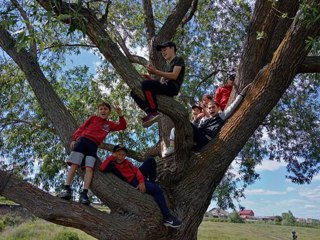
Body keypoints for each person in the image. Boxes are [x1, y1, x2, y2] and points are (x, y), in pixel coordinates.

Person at [100, 145, 182, 228]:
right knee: (157, 190)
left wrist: (141, 182)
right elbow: (102, 168)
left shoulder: (127, 162)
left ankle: (152, 183)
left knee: (151, 160)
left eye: (123, 155)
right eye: (119, 154)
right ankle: (167, 218)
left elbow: (136, 171)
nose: (121, 157)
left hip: (138, 178)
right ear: (114, 154)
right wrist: (111, 157)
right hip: (133, 182)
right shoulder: (112, 165)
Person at [60, 103, 127, 205]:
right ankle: (66, 189)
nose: (103, 111)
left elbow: (122, 126)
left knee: (89, 168)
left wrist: (120, 115)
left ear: (109, 112)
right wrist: (74, 138)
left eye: (105, 109)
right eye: (101, 109)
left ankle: (84, 194)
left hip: (93, 146)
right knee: (74, 164)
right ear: (98, 111)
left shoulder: (109, 125)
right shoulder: (93, 118)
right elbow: (82, 127)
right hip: (83, 141)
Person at [130, 41, 185, 128]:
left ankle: (153, 112)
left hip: (172, 87)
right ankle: (149, 112)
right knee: (134, 92)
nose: (163, 52)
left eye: (165, 49)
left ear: (172, 48)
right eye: (162, 51)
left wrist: (156, 72)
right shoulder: (167, 66)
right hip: (166, 86)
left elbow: (174, 76)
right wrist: (150, 79)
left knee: (146, 84)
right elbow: (161, 83)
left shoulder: (178, 59)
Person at [192, 84, 251, 150]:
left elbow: (233, 106)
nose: (211, 109)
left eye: (213, 107)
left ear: (218, 108)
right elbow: (198, 127)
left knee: (190, 126)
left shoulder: (221, 116)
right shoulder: (207, 118)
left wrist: (242, 93)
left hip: (205, 138)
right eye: (210, 108)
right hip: (199, 135)